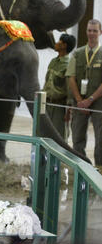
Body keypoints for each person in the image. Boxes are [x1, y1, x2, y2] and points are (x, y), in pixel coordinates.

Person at [66, 19, 102, 166]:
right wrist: (79, 100)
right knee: (77, 138)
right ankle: (80, 170)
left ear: (100, 32)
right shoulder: (77, 53)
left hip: (99, 103)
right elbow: (71, 77)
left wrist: (90, 100)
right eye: (89, 30)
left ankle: (99, 172)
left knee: (100, 140)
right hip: (79, 102)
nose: (91, 33)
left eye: (94, 30)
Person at [43, 33, 76, 139]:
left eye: (59, 42)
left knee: (59, 138)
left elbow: (69, 89)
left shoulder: (69, 64)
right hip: (47, 104)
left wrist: (69, 111)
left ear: (64, 45)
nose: (56, 44)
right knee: (44, 134)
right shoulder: (53, 62)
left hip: (59, 107)